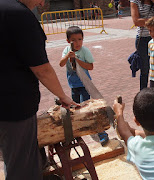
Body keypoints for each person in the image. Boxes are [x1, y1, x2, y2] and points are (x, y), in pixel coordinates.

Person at [0, 0, 77, 179]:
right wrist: (63, 96)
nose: (42, 3)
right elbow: (42, 69)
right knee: (22, 168)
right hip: (14, 108)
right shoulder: (20, 16)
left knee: (12, 160)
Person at [59, 26, 109, 146]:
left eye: (80, 39)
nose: (77, 43)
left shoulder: (84, 51)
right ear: (68, 41)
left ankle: (102, 133)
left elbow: (90, 67)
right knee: (74, 111)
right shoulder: (66, 50)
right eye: (74, 40)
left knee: (88, 109)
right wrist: (67, 56)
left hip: (84, 85)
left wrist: (76, 59)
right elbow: (61, 64)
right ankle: (75, 134)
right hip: (73, 86)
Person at [130, 0, 154, 90]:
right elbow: (136, 21)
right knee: (145, 69)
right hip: (143, 39)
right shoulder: (135, 1)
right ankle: (143, 93)